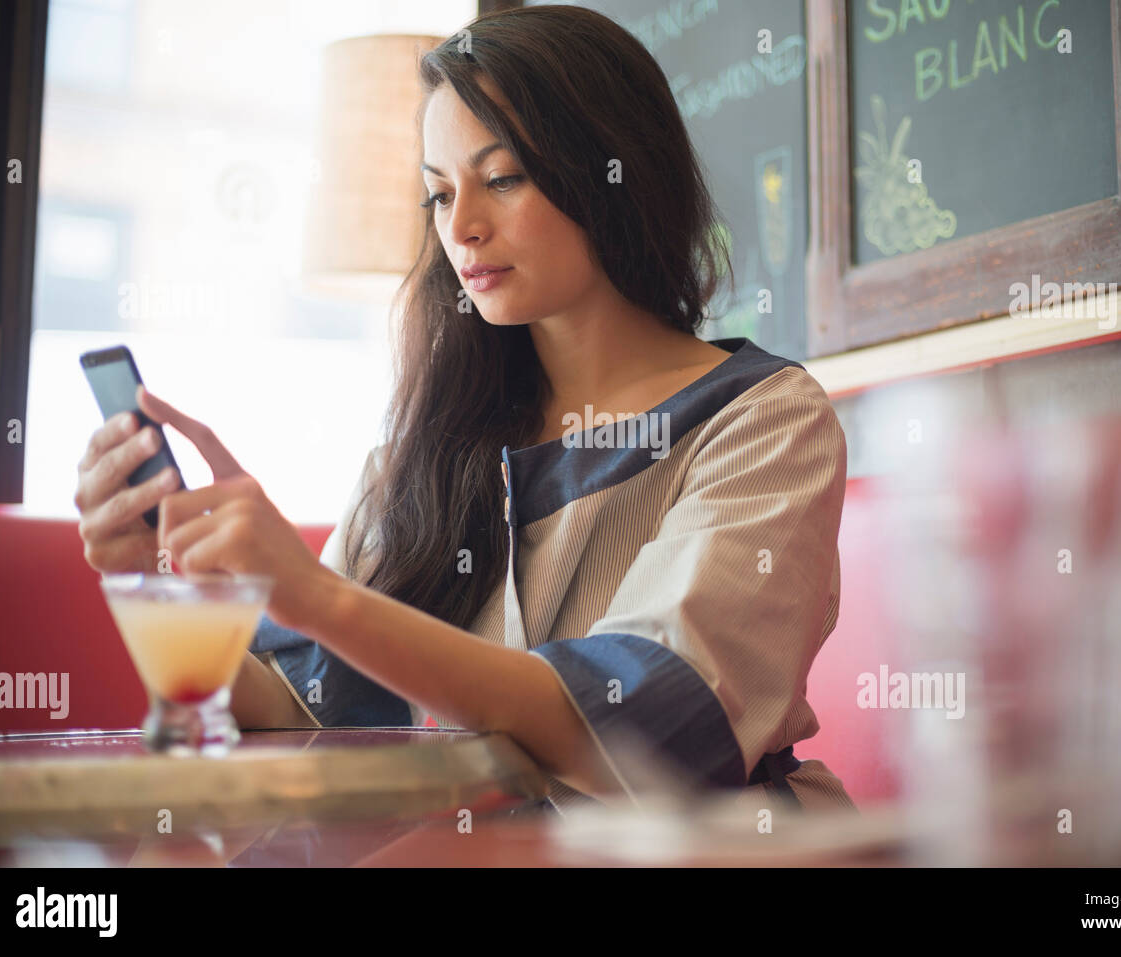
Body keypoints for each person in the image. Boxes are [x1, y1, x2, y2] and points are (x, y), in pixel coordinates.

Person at [73, 4, 855, 817]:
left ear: (614, 170)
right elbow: (298, 709)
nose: (463, 227)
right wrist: (152, 578)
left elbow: (647, 735)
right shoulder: (431, 446)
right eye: (438, 195)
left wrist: (314, 593)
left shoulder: (764, 419)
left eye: (503, 178)